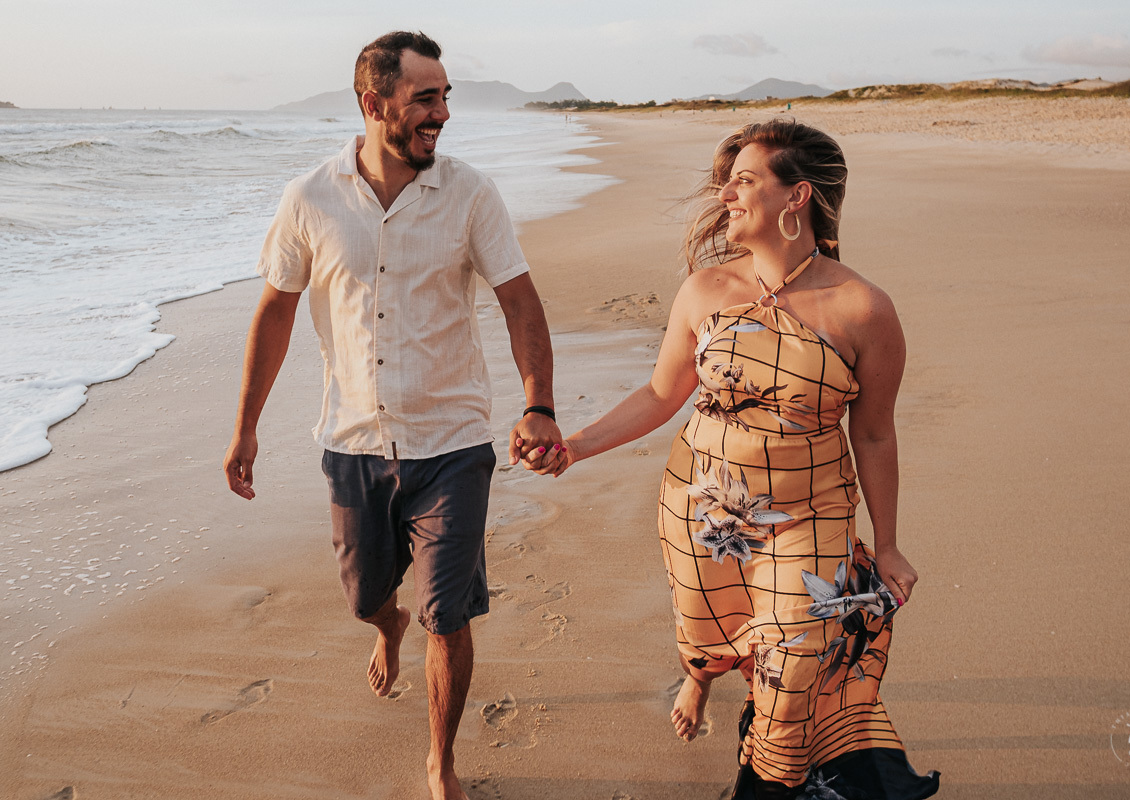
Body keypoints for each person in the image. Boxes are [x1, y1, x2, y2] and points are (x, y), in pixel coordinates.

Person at [525, 118, 938, 798]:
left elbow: (873, 436)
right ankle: (700, 676)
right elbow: (663, 394)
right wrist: (573, 447)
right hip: (705, 507)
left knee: (793, 665)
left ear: (796, 196)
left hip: (811, 514)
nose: (726, 195)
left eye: (745, 181)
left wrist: (887, 546)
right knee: (706, 632)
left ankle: (762, 784)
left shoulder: (864, 308)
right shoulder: (705, 291)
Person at [222, 31, 561, 800]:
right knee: (367, 595)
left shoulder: (470, 192)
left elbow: (520, 304)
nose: (442, 114)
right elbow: (274, 316)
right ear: (374, 105)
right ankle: (386, 628)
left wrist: (538, 403)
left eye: (445, 97)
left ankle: (441, 760)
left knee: (448, 611)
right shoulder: (310, 198)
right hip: (353, 442)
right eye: (425, 100)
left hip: (454, 441)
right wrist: (244, 427)